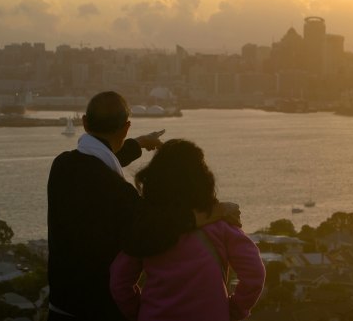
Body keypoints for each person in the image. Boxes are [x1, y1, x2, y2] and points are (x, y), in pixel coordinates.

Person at [47, 91, 239, 321]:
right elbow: (157, 229)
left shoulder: (62, 167)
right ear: (126, 127)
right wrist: (215, 212)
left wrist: (138, 144)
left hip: (59, 307)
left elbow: (97, 164)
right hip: (100, 310)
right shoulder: (120, 193)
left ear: (85, 123)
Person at [110, 139, 265, 321]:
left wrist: (137, 311)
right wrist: (235, 310)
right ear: (203, 179)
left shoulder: (146, 229)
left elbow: (119, 282)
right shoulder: (220, 225)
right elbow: (254, 273)